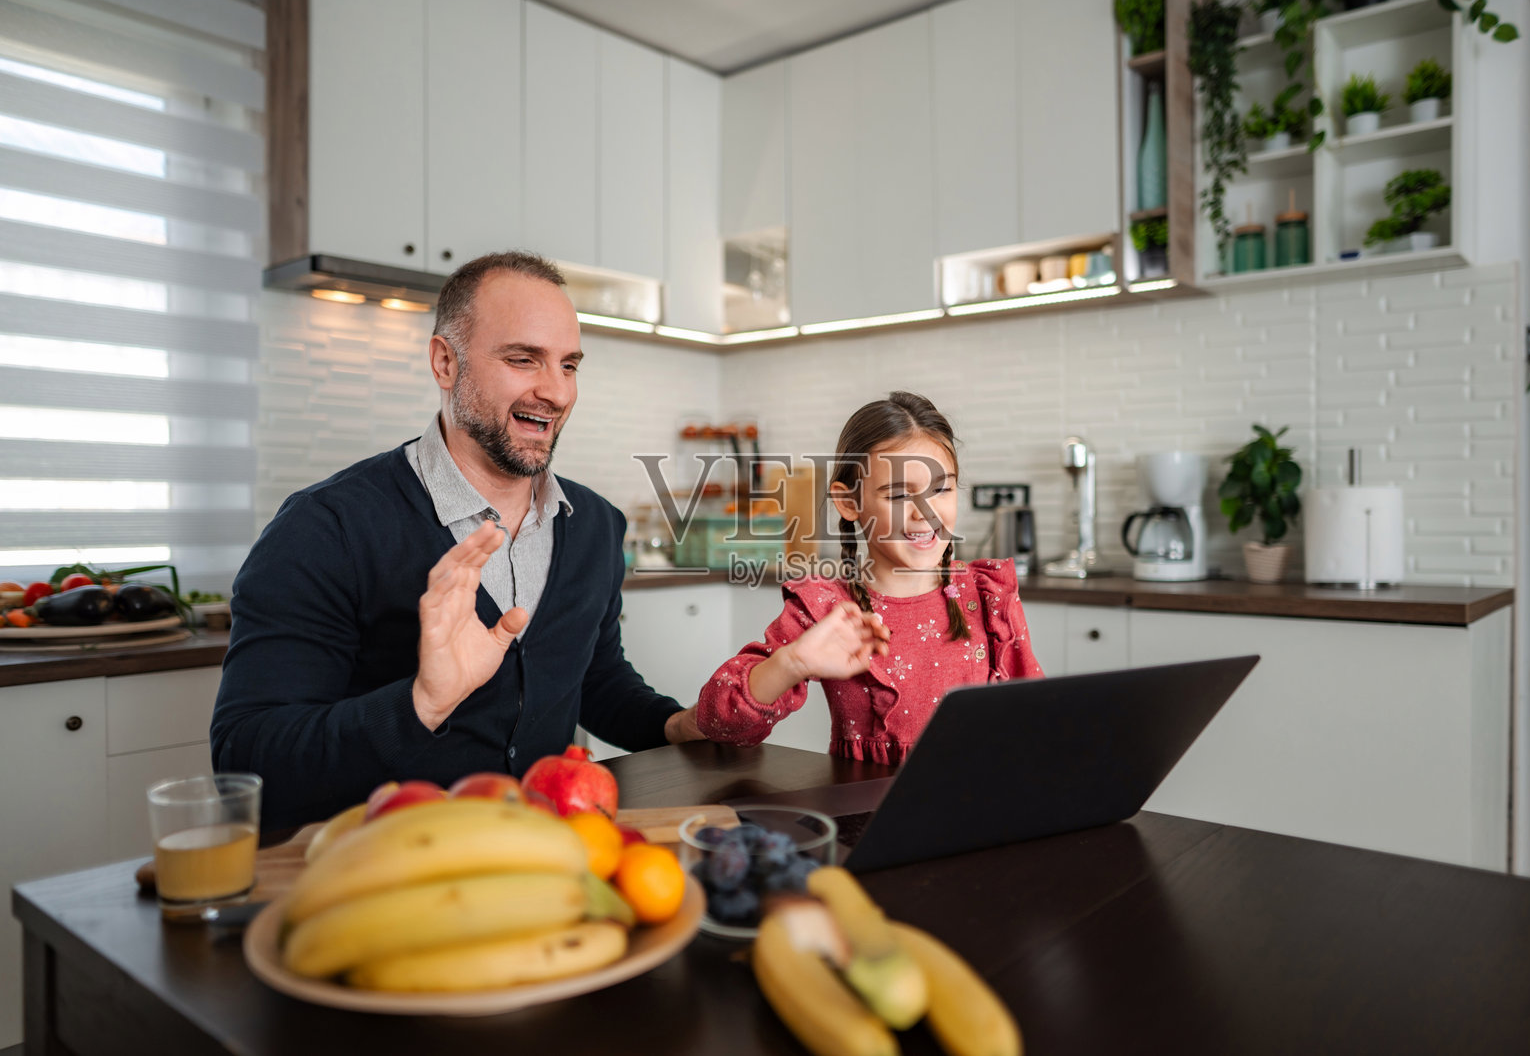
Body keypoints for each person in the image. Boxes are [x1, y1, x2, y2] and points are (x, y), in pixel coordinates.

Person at [212, 251, 700, 829]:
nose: (557, 392)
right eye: (524, 359)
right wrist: (422, 703)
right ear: (446, 362)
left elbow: (594, 680)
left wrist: (681, 726)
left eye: (569, 366)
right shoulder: (325, 529)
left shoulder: (595, 525)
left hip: (546, 862)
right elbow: (249, 761)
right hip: (392, 872)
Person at [695, 391, 1044, 764]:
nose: (924, 513)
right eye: (898, 495)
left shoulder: (988, 596)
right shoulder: (827, 607)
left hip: (975, 802)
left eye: (941, 489)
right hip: (869, 809)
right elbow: (720, 722)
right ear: (849, 503)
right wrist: (792, 663)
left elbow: (1036, 718)